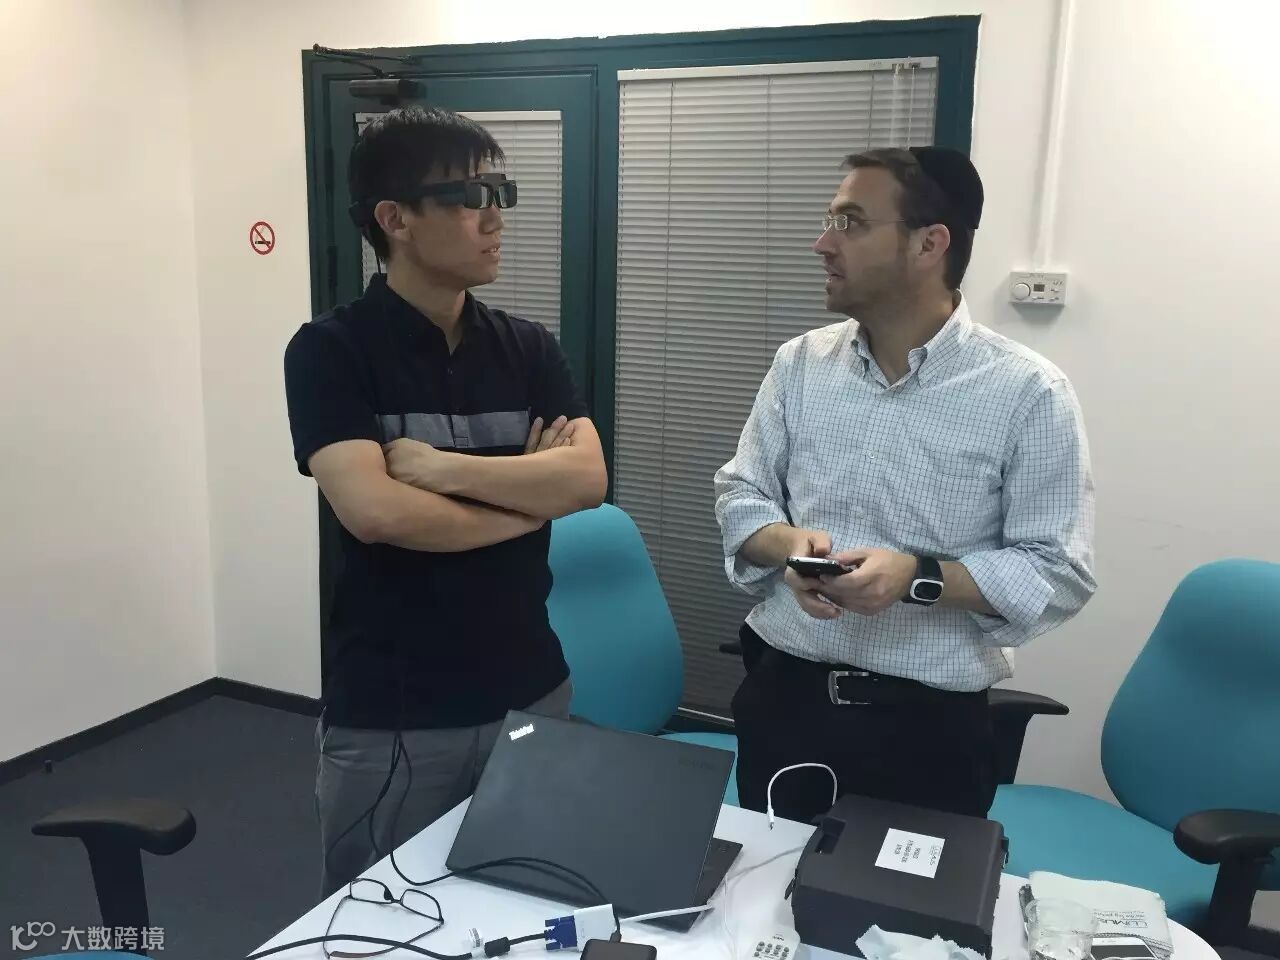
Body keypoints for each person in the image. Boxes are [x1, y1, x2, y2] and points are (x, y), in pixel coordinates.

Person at [714, 147, 1095, 823]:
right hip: (785, 703)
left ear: (929, 244)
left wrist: (918, 577)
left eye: (851, 222)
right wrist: (790, 546)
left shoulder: (1027, 392)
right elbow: (742, 495)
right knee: (767, 888)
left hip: (926, 733)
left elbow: (1057, 569)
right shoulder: (801, 364)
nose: (823, 243)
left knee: (911, 898)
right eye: (830, 220)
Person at [283, 105, 607, 896]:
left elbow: (587, 482)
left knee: (526, 906)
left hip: (530, 690)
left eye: (502, 194)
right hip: (395, 712)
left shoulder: (528, 347)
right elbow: (378, 515)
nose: (496, 219)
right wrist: (529, 500)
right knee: (380, 921)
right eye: (470, 197)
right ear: (395, 219)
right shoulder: (330, 351)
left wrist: (442, 469)